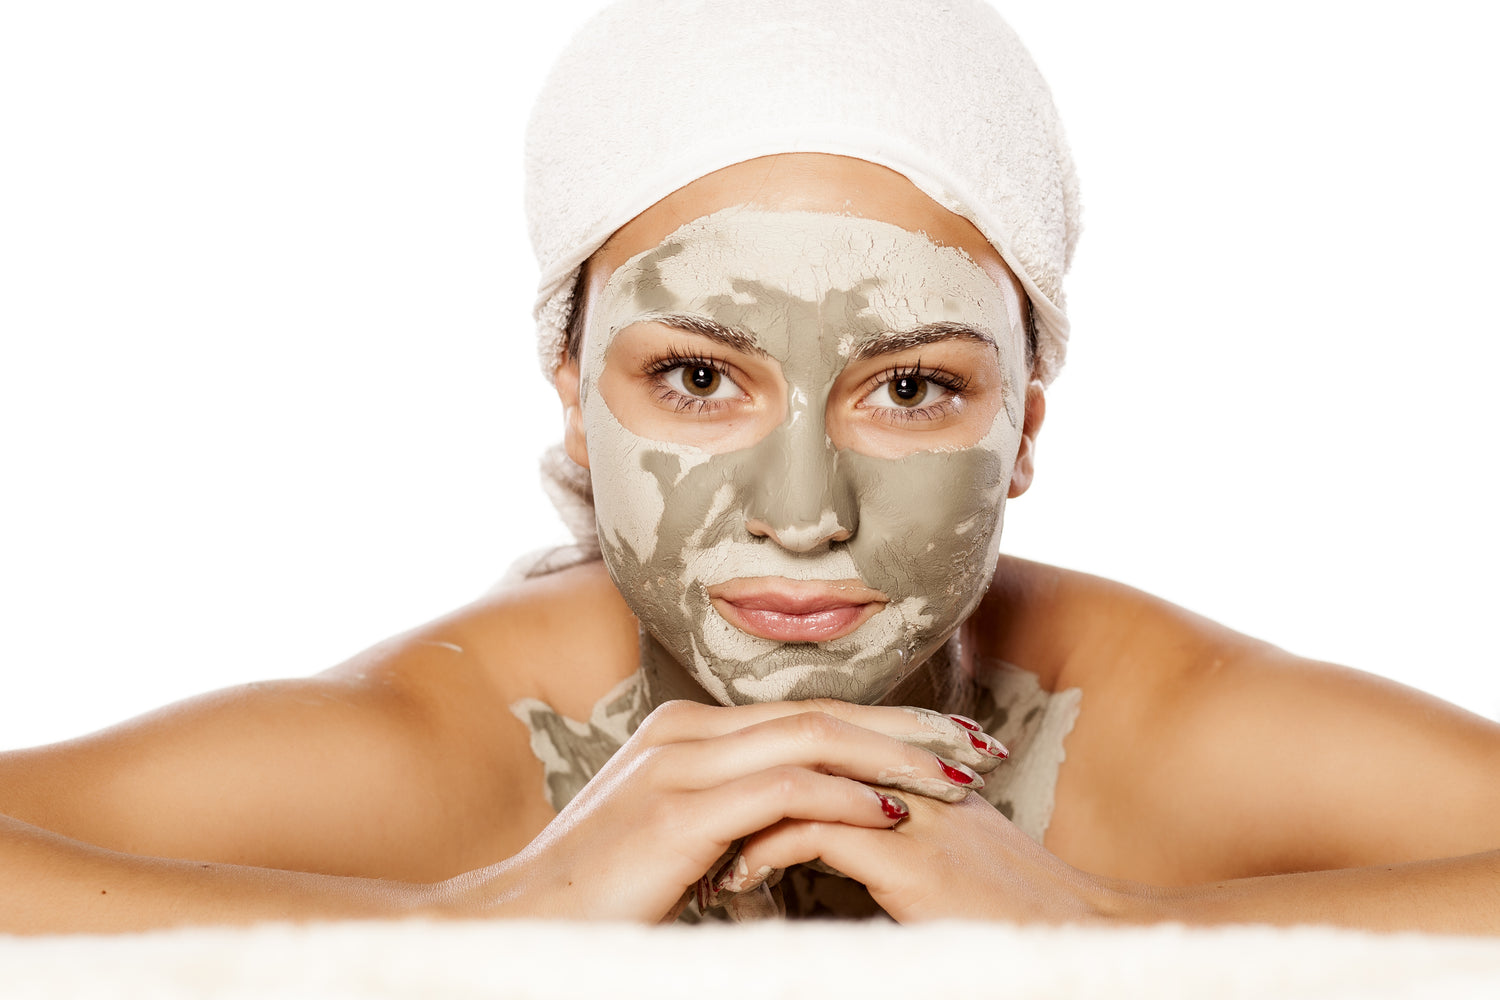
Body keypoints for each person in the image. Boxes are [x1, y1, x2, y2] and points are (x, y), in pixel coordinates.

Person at [3, 0, 1499, 933]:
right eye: (700, 378)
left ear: (1026, 422)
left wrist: (1107, 939)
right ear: (576, 405)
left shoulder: (1149, 732)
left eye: (912, 386)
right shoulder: (459, 745)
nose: (801, 514)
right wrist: (488, 924)